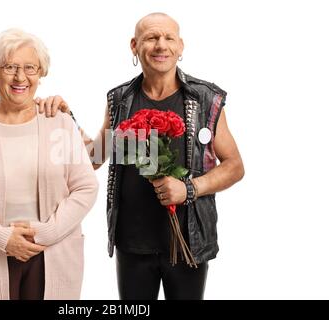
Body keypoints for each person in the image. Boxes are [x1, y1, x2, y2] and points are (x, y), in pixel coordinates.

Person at [40, 12, 244, 300]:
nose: (161, 45)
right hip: (132, 243)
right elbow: (95, 156)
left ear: (180, 46)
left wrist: (188, 188)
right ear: (134, 46)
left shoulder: (205, 99)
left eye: (168, 38)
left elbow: (235, 166)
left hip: (189, 243)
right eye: (151, 38)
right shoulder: (121, 99)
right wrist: (66, 117)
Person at [0, 29, 98, 300]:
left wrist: (46, 232)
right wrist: (2, 238)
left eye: (30, 68)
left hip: (53, 252)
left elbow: (86, 187)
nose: (20, 77)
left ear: (41, 73)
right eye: (10, 67)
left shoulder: (59, 122)